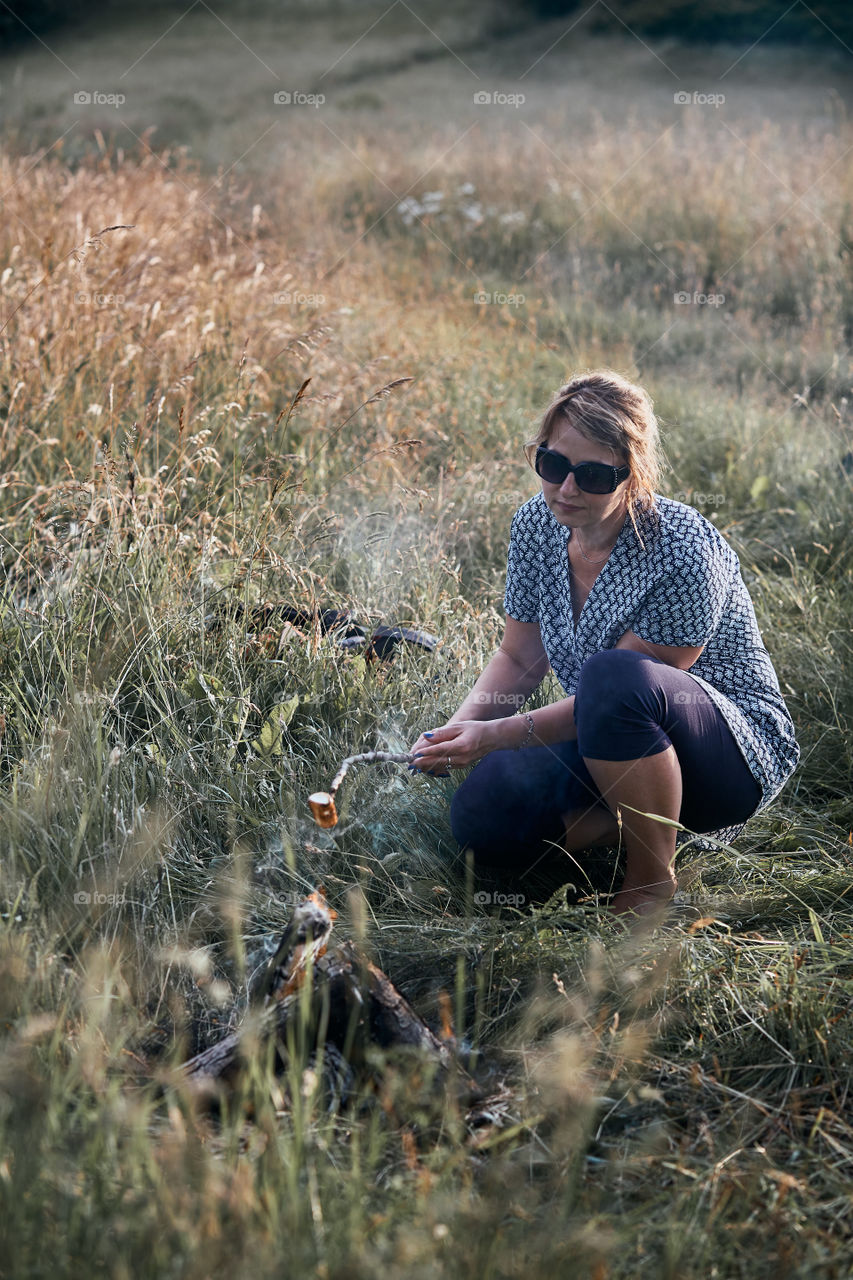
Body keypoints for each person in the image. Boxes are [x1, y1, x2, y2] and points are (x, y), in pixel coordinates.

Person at [407, 370, 800, 917]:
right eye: (553, 465)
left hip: (727, 752)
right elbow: (520, 657)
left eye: (593, 476)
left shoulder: (684, 549)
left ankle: (649, 880)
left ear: (632, 475)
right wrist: (457, 735)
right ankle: (641, 817)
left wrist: (495, 735)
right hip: (607, 734)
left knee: (613, 676)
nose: (566, 489)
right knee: (481, 818)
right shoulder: (536, 525)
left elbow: (623, 691)